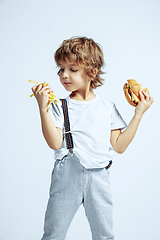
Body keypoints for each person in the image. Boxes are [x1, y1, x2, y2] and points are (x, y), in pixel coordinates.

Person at [31, 37, 153, 240]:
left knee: (104, 235)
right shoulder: (59, 105)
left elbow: (119, 146)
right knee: (54, 233)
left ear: (92, 72)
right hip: (67, 175)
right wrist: (42, 108)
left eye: (72, 69)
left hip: (99, 177)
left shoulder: (107, 107)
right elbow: (54, 143)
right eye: (61, 69)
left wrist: (138, 113)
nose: (64, 75)